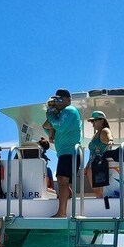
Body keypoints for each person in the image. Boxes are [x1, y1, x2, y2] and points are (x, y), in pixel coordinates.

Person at [42, 88, 82, 218]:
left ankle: (62, 212)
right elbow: (47, 127)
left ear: (69, 100)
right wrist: (52, 116)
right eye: (56, 99)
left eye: (60, 99)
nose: (57, 102)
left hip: (70, 153)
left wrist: (51, 115)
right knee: (63, 181)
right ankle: (67, 195)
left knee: (62, 180)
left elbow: (59, 126)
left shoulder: (69, 110)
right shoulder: (61, 113)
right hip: (65, 153)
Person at [85, 111, 113, 198]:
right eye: (92, 122)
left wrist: (111, 141)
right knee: (98, 191)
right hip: (93, 165)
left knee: (99, 191)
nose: (92, 124)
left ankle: (103, 208)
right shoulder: (96, 134)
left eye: (94, 121)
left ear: (102, 120)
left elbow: (109, 136)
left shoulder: (104, 130)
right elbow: (92, 153)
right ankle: (103, 208)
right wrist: (87, 166)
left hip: (99, 165)